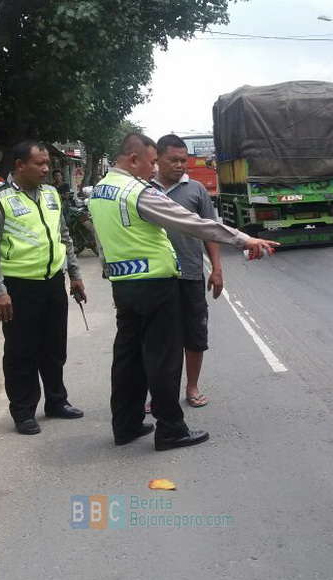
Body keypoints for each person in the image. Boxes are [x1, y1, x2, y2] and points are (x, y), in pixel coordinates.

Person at [88, 133, 278, 451]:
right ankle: (171, 430)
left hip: (124, 286)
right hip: (155, 286)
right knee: (164, 361)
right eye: (150, 163)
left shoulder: (101, 191)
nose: (153, 171)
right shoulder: (138, 192)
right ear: (133, 160)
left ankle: (126, 424)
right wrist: (244, 239)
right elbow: (192, 223)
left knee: (128, 359)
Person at [0, 141, 86, 435]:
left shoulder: (51, 194)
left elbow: (64, 236)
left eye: (47, 163)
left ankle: (56, 401)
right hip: (18, 288)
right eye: (39, 163)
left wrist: (74, 275)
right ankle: (23, 411)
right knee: (21, 352)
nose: (46, 169)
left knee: (54, 347)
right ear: (19, 165)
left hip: (52, 284)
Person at [152, 134, 218, 408]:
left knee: (194, 334)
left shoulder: (196, 190)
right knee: (158, 339)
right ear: (157, 159)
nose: (180, 165)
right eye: (174, 160)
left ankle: (191, 387)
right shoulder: (144, 189)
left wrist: (217, 269)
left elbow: (210, 231)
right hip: (154, 277)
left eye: (184, 160)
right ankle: (159, 392)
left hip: (190, 274)